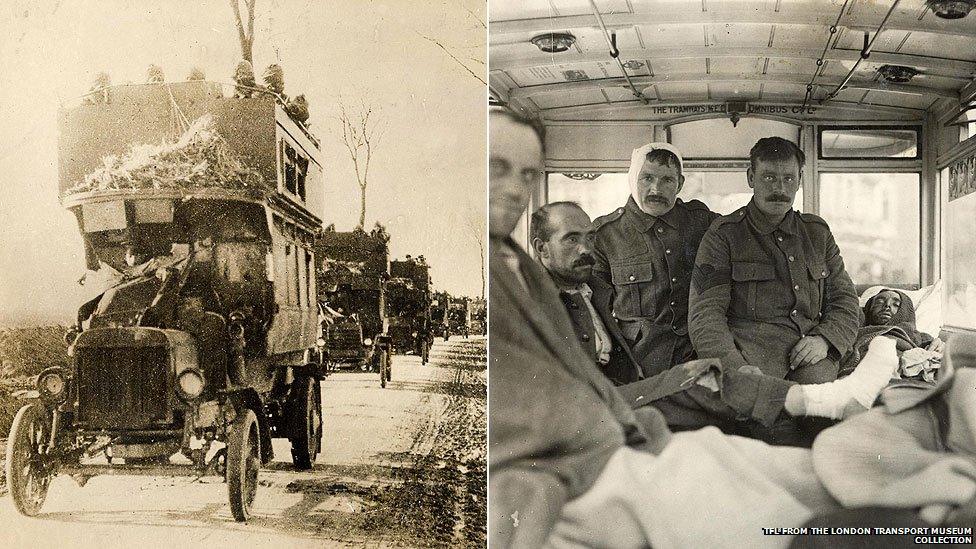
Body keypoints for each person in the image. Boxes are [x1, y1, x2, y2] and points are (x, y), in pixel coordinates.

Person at [531, 200, 898, 432]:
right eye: (571, 239)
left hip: (620, 392)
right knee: (703, 377)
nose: (586, 249)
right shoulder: (534, 302)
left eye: (591, 238)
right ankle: (835, 399)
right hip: (585, 411)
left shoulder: (593, 289)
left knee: (734, 414)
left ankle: (832, 401)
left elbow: (845, 299)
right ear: (541, 249)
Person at [689, 137, 861, 437]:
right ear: (751, 178)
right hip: (753, 364)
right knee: (767, 437)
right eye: (769, 178)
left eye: (788, 179)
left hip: (815, 358)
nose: (779, 188)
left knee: (834, 430)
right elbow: (705, 316)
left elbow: (845, 300)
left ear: (799, 182)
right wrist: (736, 369)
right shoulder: (724, 236)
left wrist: (825, 340)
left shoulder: (817, 233)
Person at [592, 143, 719, 376]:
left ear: (680, 184)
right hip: (638, 363)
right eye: (647, 178)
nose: (656, 189)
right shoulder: (605, 236)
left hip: (699, 356)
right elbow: (596, 311)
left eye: (667, 180)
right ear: (633, 180)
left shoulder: (703, 223)